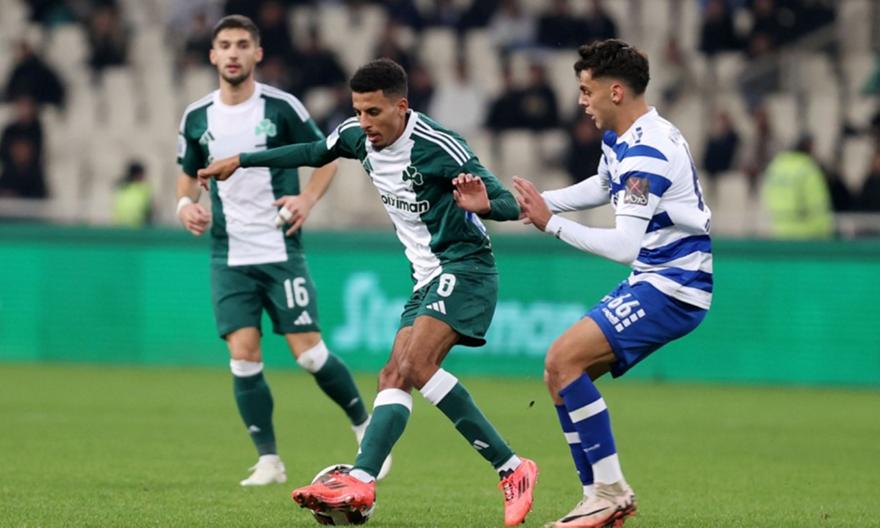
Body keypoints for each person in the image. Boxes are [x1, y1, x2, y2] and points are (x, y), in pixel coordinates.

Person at [198, 58, 538, 526]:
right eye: (358, 111)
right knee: (393, 375)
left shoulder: (439, 145)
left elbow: (508, 202)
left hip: (466, 267)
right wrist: (241, 161)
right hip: (427, 277)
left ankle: (513, 468)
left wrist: (484, 205)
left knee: (416, 365)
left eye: (374, 112)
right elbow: (315, 152)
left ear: (402, 106)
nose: (364, 122)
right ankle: (360, 479)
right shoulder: (357, 136)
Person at [175, 15, 382, 487]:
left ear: (258, 53)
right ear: (212, 55)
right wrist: (185, 205)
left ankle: (365, 427)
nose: (233, 53)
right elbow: (188, 174)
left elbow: (328, 156)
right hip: (228, 256)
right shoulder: (196, 116)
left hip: (279, 248)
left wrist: (307, 198)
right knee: (243, 356)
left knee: (309, 355)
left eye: (241, 44)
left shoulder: (281, 107)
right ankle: (269, 460)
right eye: (225, 45)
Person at [514, 39, 712, 528]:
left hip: (674, 284)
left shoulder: (648, 151)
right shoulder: (625, 137)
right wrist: (535, 202)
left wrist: (549, 224)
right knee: (559, 373)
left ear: (616, 92)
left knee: (564, 359)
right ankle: (596, 498)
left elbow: (625, 245)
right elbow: (604, 185)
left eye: (587, 91)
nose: (581, 101)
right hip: (656, 277)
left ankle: (610, 492)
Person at [760, 135, 834, 239]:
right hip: (806, 235)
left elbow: (766, 196)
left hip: (778, 232)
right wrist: (826, 232)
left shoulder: (775, 166)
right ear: (810, 147)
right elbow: (817, 206)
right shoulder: (807, 168)